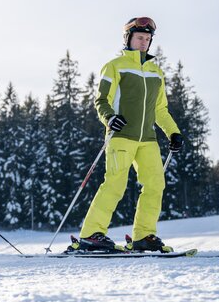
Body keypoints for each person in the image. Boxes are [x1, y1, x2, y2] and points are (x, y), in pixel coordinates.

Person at [74, 16, 184, 253]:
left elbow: (160, 109)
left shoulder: (156, 72)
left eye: (147, 38)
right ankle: (91, 235)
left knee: (155, 185)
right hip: (121, 136)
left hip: (148, 139)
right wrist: (110, 118)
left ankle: (144, 236)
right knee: (115, 184)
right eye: (139, 37)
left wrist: (173, 132)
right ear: (128, 39)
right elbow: (101, 100)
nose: (143, 42)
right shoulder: (115, 66)